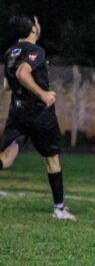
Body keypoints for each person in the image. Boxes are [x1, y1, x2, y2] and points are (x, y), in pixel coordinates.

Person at [1, 15, 75, 220]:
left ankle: (60, 210)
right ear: (33, 29)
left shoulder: (10, 53)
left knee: (6, 158)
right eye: (37, 22)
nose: (39, 25)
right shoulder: (35, 50)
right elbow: (22, 74)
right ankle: (59, 210)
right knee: (52, 160)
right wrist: (43, 94)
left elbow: (7, 85)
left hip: (17, 114)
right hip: (39, 115)